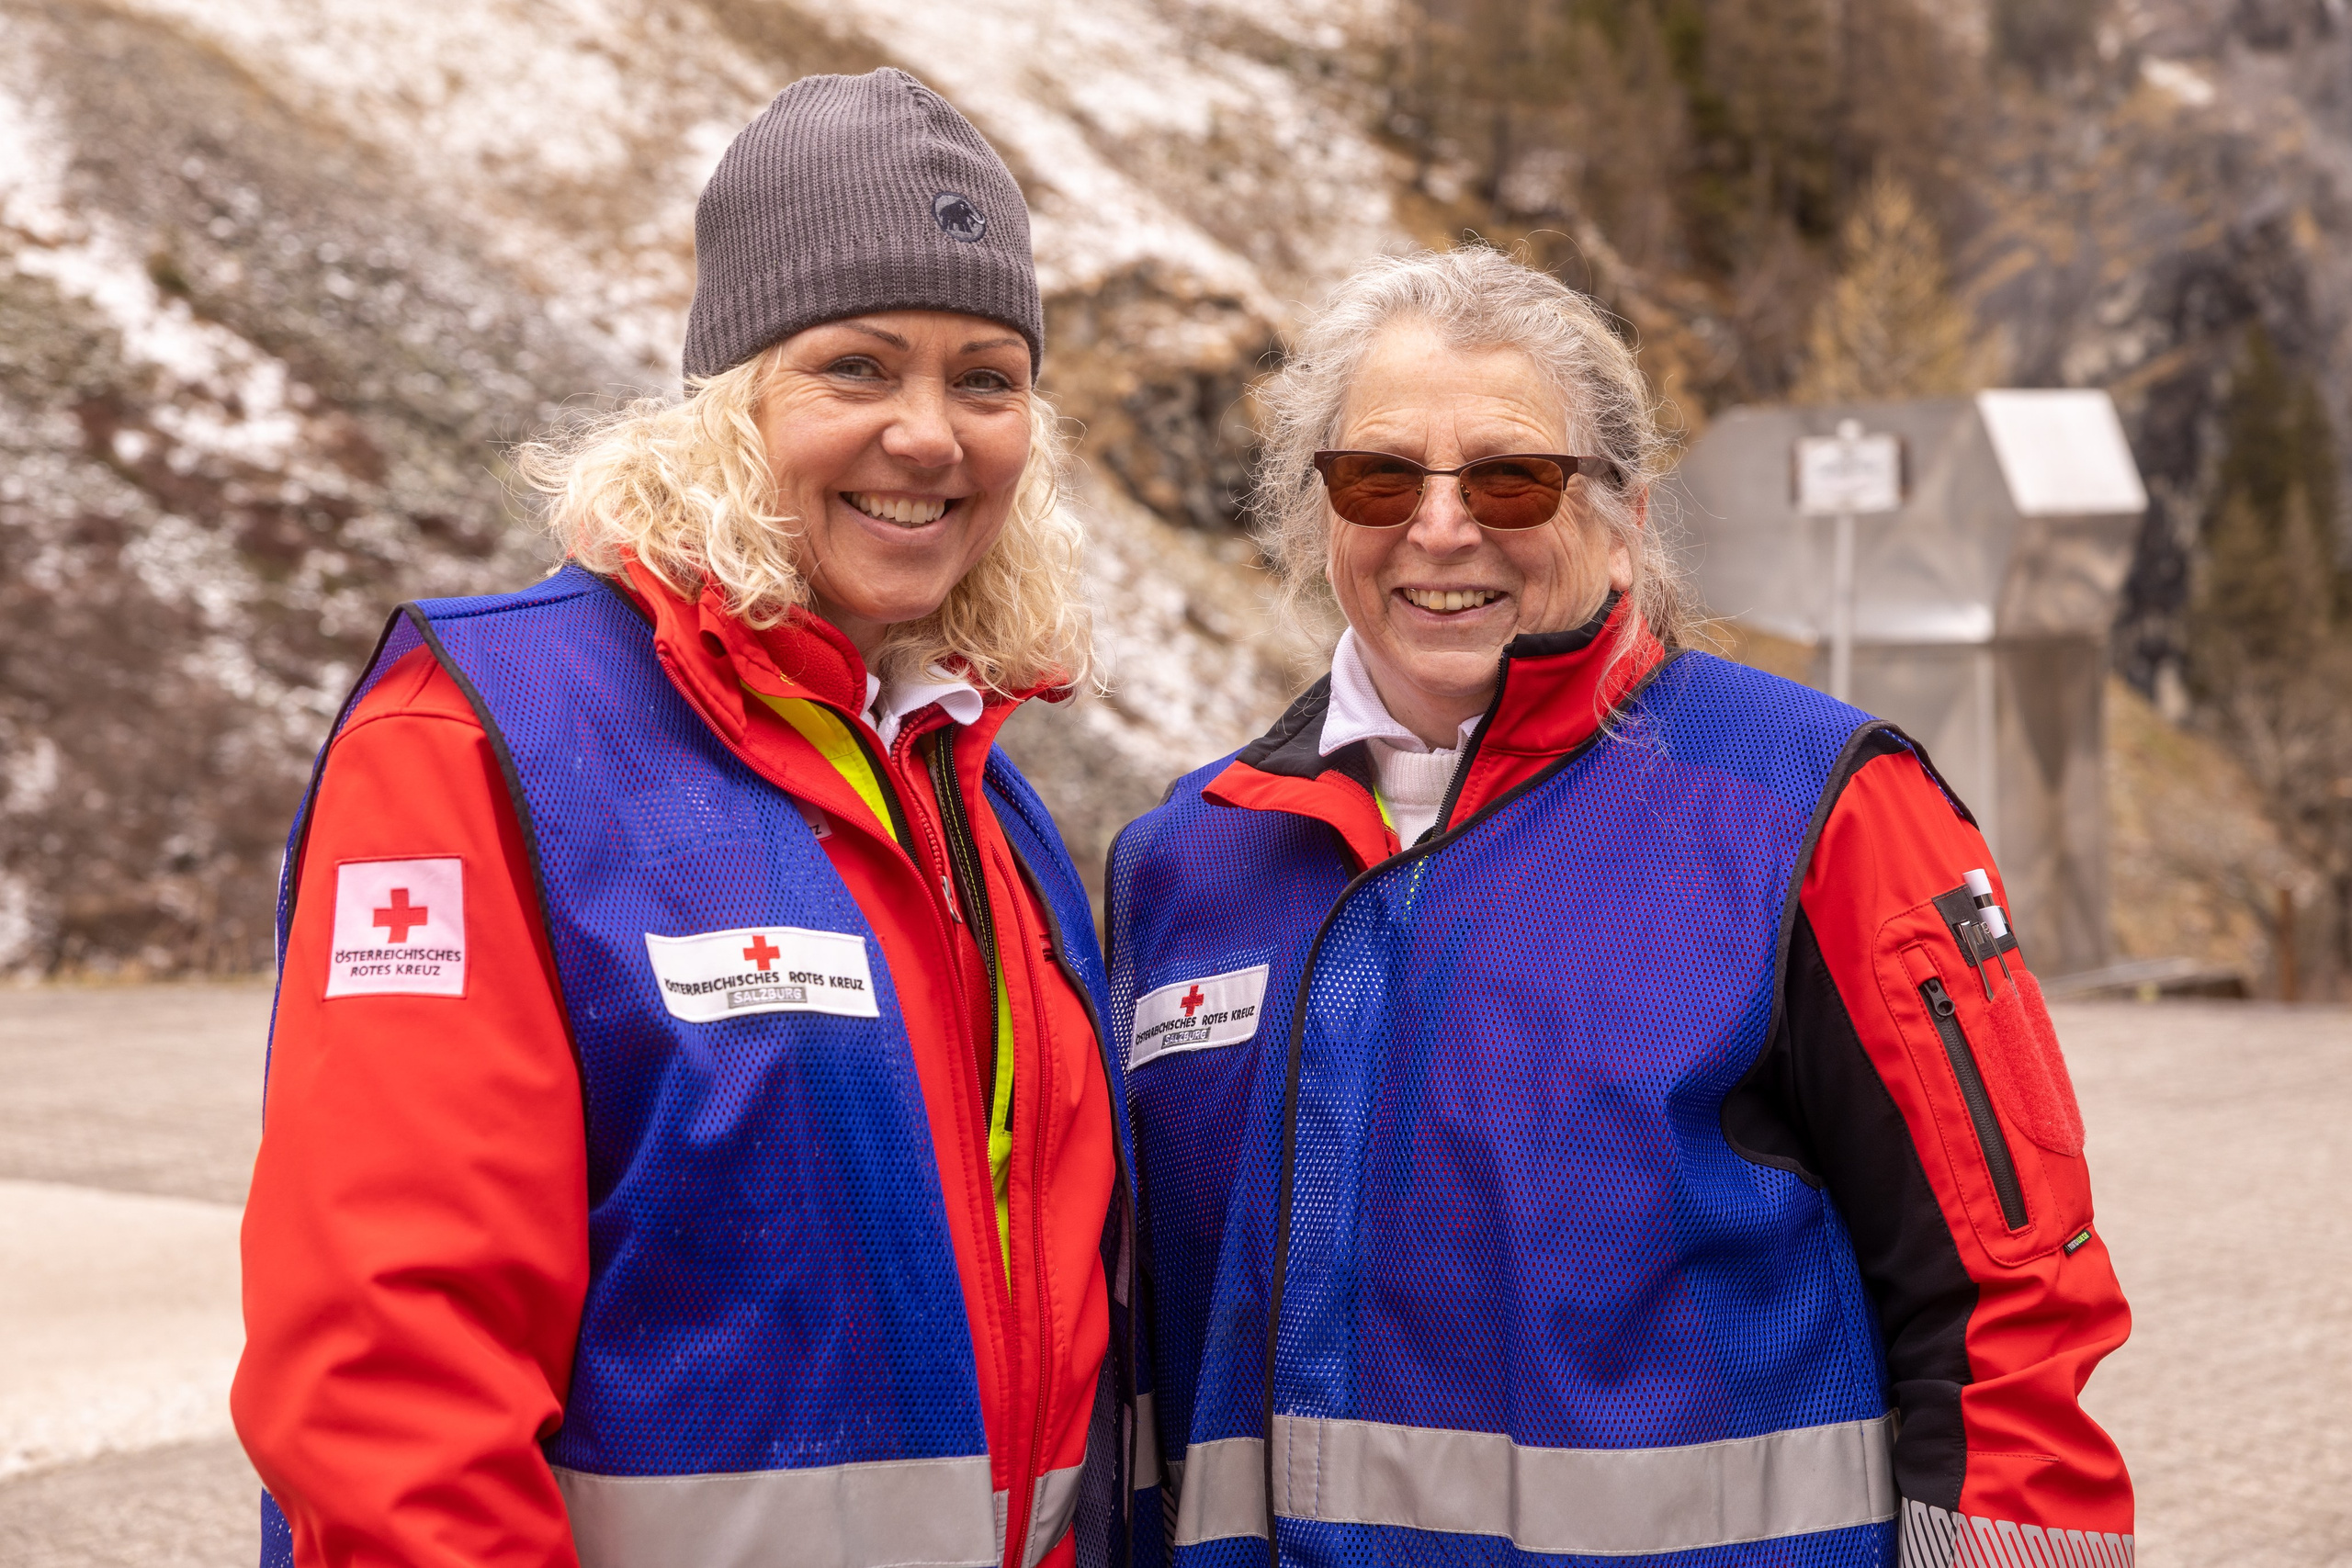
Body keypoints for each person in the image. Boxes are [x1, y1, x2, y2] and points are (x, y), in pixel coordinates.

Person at [235, 70, 1147, 1568]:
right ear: (728, 399)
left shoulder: (979, 795)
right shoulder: (480, 738)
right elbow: (387, 1376)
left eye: (987, 379)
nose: (931, 435)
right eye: (858, 367)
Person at [1107, 247, 2133, 1568]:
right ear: (1316, 515)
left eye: (1509, 476)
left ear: (1627, 511)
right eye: (1379, 477)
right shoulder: (1187, 865)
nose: (1439, 528)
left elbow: (2012, 1315)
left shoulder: (1819, 811)